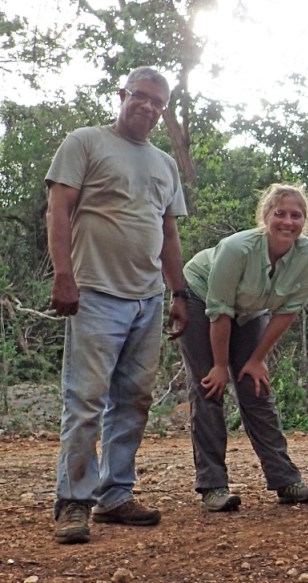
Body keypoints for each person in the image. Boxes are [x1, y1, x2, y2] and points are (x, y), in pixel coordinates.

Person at [46, 66, 188, 544]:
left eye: (158, 103)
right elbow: (59, 209)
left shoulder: (165, 164)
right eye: (141, 97)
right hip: (95, 291)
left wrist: (179, 293)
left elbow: (168, 232)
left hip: (147, 297)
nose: (148, 107)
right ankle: (73, 501)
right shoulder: (85, 142)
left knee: (134, 400)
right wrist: (64, 275)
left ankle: (114, 494)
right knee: (85, 400)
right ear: (122, 94)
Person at [178, 184, 308, 512]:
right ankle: (213, 487)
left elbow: (286, 312)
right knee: (209, 388)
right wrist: (219, 366)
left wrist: (257, 359)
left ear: (305, 221)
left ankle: (286, 480)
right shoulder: (237, 248)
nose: (288, 222)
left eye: (296, 215)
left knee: (255, 388)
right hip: (202, 299)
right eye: (280, 213)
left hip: (251, 309)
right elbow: (219, 310)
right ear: (265, 217)